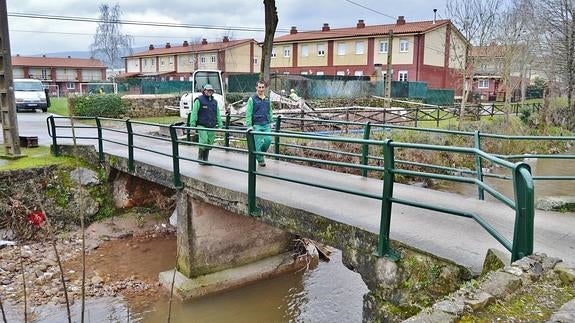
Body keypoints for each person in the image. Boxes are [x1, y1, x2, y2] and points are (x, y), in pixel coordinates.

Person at [188, 84, 223, 165]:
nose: (209, 92)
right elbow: (194, 112)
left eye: (211, 90)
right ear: (204, 91)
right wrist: (192, 125)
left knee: (210, 142)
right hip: (202, 124)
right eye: (207, 90)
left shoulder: (215, 102)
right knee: (204, 140)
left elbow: (217, 113)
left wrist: (220, 125)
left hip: (212, 125)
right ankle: (200, 158)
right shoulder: (199, 100)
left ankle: (205, 159)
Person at [245, 80, 274, 167]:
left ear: (265, 88)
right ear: (256, 88)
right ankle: (260, 159)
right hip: (256, 125)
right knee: (257, 144)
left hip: (266, 124)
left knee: (268, 140)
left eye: (262, 87)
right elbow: (248, 113)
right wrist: (249, 125)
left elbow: (270, 111)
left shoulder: (267, 99)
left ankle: (259, 154)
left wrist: (271, 121)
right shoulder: (252, 99)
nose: (261, 89)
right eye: (259, 87)